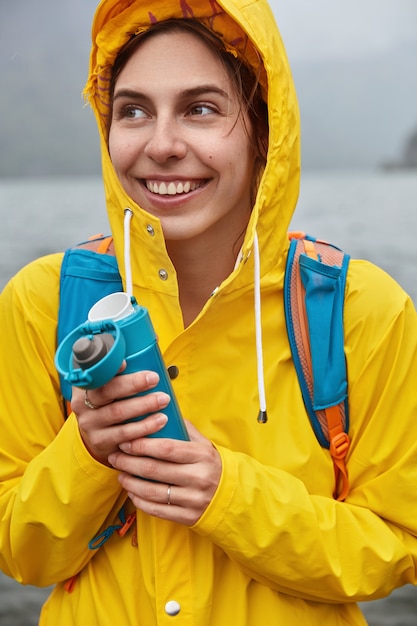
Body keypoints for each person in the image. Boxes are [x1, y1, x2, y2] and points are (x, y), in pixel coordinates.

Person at [1, 0, 417, 624]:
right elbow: (21, 553)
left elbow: (396, 547)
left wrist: (227, 494)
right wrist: (86, 454)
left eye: (200, 109)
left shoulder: (359, 309)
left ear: (262, 128)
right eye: (133, 110)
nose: (162, 146)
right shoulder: (43, 302)